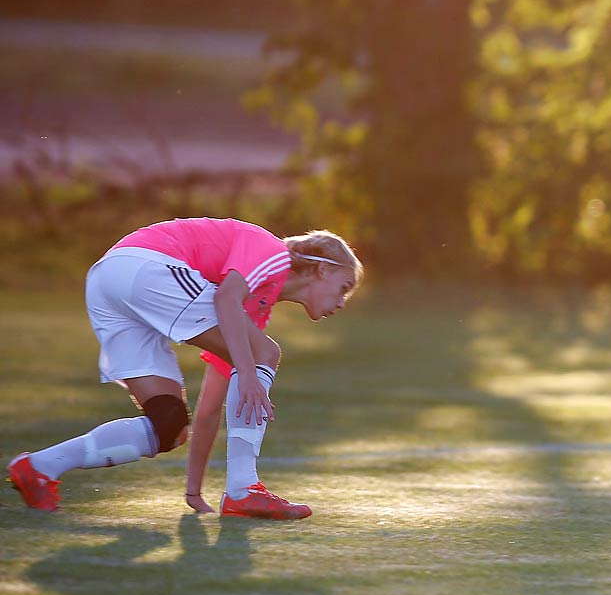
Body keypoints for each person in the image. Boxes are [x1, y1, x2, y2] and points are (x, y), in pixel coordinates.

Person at [8, 217, 362, 518]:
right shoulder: (273, 255)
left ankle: (39, 467)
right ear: (321, 269)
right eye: (344, 287)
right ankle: (242, 489)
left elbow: (211, 405)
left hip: (107, 281)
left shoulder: (254, 305)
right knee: (264, 353)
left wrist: (194, 492)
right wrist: (251, 372)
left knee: (169, 426)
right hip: (145, 266)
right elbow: (225, 300)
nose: (343, 302)